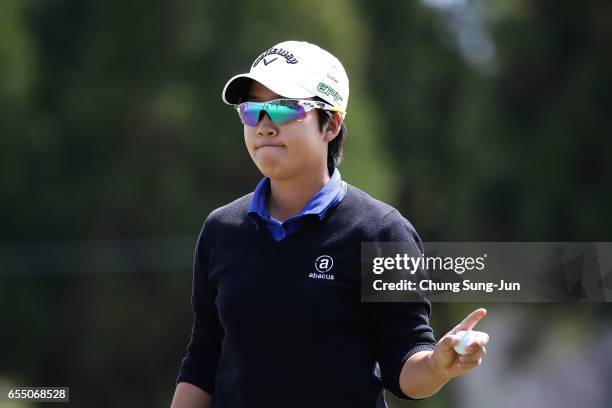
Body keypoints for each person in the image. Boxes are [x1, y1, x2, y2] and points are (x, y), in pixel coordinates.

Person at [170, 40, 489, 408]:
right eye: (252, 109)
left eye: (284, 109)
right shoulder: (221, 230)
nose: (264, 125)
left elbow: (406, 362)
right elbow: (202, 361)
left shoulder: (381, 232)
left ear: (332, 124)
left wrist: (437, 365)